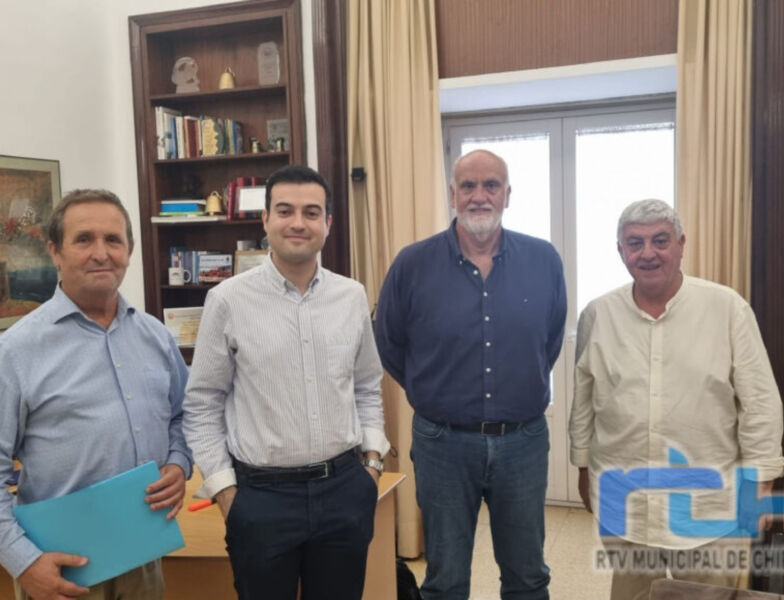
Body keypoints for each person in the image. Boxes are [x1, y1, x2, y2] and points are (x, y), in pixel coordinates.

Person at [182, 164, 390, 600]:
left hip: (344, 491)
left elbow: (367, 386)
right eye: (285, 211)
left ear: (328, 223)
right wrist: (226, 492)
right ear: (265, 220)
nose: (298, 223)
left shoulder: (351, 296)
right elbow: (202, 403)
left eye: (311, 212)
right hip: (261, 500)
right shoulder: (227, 300)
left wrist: (371, 466)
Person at [569, 199, 784, 600]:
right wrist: (583, 468)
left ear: (681, 244)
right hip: (627, 503)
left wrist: (760, 485)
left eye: (660, 240)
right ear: (620, 251)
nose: (647, 253)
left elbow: (760, 403)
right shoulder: (598, 315)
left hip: (708, 508)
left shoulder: (727, 309)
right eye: (635, 243)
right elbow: (583, 402)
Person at [375, 149, 567, 600]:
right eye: (468, 186)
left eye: (491, 185)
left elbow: (550, 338)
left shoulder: (543, 259)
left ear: (507, 195)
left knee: (527, 576)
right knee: (445, 580)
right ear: (453, 194)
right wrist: (432, 391)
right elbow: (389, 342)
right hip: (442, 443)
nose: (480, 196)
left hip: (522, 442)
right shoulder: (412, 264)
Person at [0, 189, 192, 599]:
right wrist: (23, 561)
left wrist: (179, 462)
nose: (101, 253)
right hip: (57, 570)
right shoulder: (15, 351)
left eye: (113, 240)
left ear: (129, 251)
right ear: (55, 252)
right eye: (84, 239)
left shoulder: (156, 337)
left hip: (143, 558)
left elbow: (183, 415)